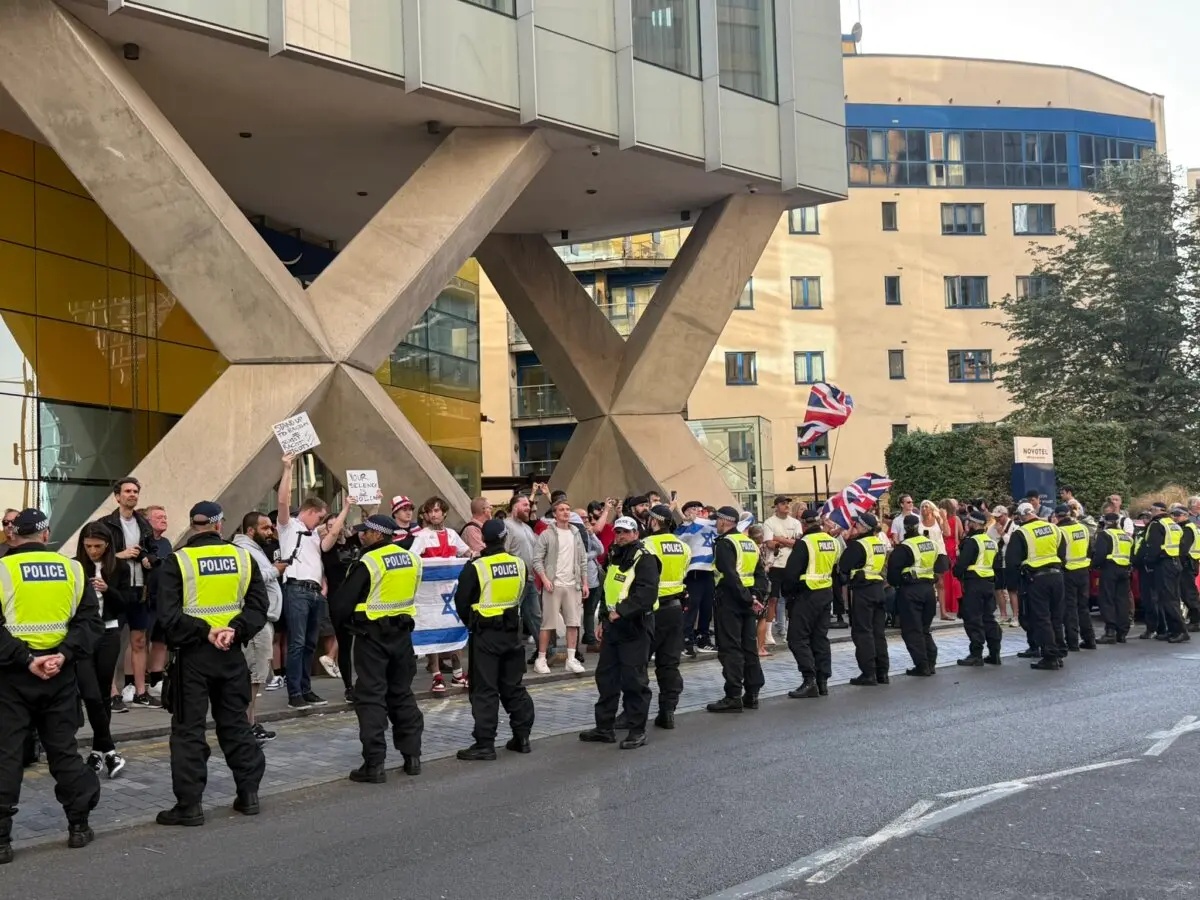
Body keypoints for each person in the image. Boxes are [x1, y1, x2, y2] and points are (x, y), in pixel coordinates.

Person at [155, 502, 268, 826]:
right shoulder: (242, 558)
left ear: (193, 526)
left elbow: (168, 616)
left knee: (189, 730)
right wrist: (235, 630)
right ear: (220, 525)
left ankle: (189, 806)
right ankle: (248, 795)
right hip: (231, 653)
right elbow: (259, 606)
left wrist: (206, 632)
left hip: (193, 656)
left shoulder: (178, 561)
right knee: (235, 724)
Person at [0, 508, 102, 864]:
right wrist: (61, 655)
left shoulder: (2, 570)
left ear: (14, 536)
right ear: (46, 535)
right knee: (63, 751)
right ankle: (78, 825)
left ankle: (0, 841)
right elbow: (90, 623)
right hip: (59, 674)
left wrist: (26, 659)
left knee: (7, 755)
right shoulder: (73, 569)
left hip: (11, 676)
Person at [330, 514, 424, 782]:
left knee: (371, 698)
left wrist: (346, 626)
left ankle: (375, 764)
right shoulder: (412, 559)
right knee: (402, 694)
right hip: (402, 636)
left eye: (366, 531)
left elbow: (342, 604)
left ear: (378, 534)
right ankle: (412, 757)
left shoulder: (368, 561)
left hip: (371, 637)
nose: (362, 535)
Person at [454, 519, 535, 760]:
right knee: (513, 686)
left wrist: (473, 622)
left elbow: (461, 602)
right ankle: (522, 737)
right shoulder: (519, 564)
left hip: (485, 634)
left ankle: (485, 744)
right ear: (504, 537)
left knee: (485, 690)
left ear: (484, 539)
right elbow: (521, 593)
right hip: (512, 633)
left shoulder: (477, 567)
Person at [277, 453, 351, 710]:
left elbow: (331, 536)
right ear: (309, 512)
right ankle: (294, 693)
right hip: (296, 588)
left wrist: (346, 509)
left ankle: (305, 690)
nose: (321, 523)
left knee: (309, 643)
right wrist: (288, 468)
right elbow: (283, 500)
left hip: (314, 592)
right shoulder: (288, 527)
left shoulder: (312, 535)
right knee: (297, 643)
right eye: (319, 517)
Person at [578, 517, 658, 749]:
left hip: (635, 626)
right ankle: (604, 728)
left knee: (634, 681)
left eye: (625, 532)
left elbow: (646, 595)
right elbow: (608, 591)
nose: (620, 536)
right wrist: (604, 618)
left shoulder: (645, 559)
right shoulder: (616, 555)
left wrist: (620, 612)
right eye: (617, 532)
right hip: (614, 627)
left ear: (635, 533)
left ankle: (636, 730)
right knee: (606, 677)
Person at [74, 523, 131, 778]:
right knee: (90, 692)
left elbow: (127, 603)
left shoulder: (120, 567)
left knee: (104, 690)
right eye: (88, 547)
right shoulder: (74, 565)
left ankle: (98, 751)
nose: (93, 551)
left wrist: (109, 590)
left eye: (98, 546)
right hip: (84, 633)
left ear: (108, 545)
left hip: (109, 631)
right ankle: (108, 748)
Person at [706, 507, 767, 713]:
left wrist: (748, 598)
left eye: (717, 520)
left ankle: (733, 695)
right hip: (748, 599)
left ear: (725, 521)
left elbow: (730, 576)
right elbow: (760, 574)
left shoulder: (725, 543)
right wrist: (755, 597)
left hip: (730, 600)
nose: (716, 524)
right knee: (749, 646)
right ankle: (753, 693)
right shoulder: (749, 543)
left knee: (731, 647)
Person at [232, 512, 283, 744]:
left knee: (256, 677)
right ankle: (246, 726)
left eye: (271, 528)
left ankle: (250, 723)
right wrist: (275, 570)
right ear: (251, 530)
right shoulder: (245, 550)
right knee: (253, 677)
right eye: (265, 528)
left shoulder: (253, 548)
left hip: (261, 620)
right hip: (255, 622)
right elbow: (249, 578)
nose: (270, 532)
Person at [781, 509, 840, 698]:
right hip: (826, 593)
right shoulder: (832, 541)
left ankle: (809, 680)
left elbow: (791, 573)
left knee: (797, 639)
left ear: (804, 524)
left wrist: (787, 593)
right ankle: (822, 681)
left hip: (806, 595)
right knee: (819, 638)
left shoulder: (804, 543)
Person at [641, 504, 690, 729]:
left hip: (651, 611)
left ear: (654, 521)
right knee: (669, 664)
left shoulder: (647, 544)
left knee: (638, 663)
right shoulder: (683, 546)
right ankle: (668, 711)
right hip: (675, 609)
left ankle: (635, 712)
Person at [1006, 504, 1066, 670]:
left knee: (1042, 618)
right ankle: (1059, 651)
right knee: (1056, 616)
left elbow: (1012, 561)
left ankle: (1050, 656)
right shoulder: (1054, 528)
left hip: (1036, 579)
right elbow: (1062, 554)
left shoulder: (1021, 533)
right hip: (1057, 576)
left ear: (1020, 517)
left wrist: (1013, 584)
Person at [531, 499, 588, 675]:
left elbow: (583, 559)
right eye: (561, 509)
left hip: (573, 584)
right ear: (554, 514)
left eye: (568, 510)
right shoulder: (547, 534)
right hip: (553, 585)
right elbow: (537, 559)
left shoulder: (576, 533)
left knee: (574, 622)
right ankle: (540, 659)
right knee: (547, 624)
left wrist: (584, 582)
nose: (565, 512)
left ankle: (571, 659)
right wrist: (545, 578)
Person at [839, 513, 890, 686]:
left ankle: (868, 673)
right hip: (878, 589)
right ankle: (882, 672)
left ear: (861, 527)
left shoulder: (858, 545)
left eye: (856, 524)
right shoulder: (879, 543)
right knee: (878, 632)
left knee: (863, 632)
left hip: (863, 591)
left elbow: (843, 566)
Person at [886, 514, 939, 676]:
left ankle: (922, 666)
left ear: (904, 528)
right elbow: (941, 565)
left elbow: (893, 575)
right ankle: (931, 662)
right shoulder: (931, 544)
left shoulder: (904, 547)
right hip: (929, 590)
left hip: (910, 591)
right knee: (924, 629)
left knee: (912, 630)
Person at [953, 509, 1002, 666]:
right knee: (989, 619)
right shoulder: (992, 542)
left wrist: (957, 573)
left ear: (974, 524)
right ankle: (994, 653)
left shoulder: (971, 542)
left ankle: (976, 654)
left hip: (974, 584)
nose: (967, 525)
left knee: (974, 620)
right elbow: (997, 565)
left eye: (969, 522)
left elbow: (961, 565)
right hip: (989, 584)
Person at [1141, 503, 1189, 643]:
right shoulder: (1173, 524)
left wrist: (1148, 563)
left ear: (1157, 511)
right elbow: (1182, 545)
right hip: (1175, 563)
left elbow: (1152, 546)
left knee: (1168, 599)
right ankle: (1172, 630)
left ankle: (1180, 630)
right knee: (1169, 598)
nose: (1150, 513)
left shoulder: (1157, 525)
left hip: (1163, 564)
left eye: (1151, 510)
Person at [677, 501, 717, 654]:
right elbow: (681, 540)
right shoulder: (685, 528)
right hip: (694, 571)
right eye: (693, 509)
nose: (697, 512)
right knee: (691, 607)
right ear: (685, 512)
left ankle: (703, 638)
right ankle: (685, 640)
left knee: (707, 607)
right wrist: (687, 521)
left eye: (699, 509)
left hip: (709, 570)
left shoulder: (708, 525)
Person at [1054, 504, 1096, 651]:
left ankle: (1072, 642)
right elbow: (1090, 549)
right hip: (1083, 570)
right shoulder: (1082, 528)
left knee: (1070, 608)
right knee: (1083, 607)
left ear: (1057, 516)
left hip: (1068, 572)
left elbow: (1059, 554)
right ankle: (1089, 639)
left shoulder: (1060, 531)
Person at [762, 496, 800, 651]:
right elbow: (769, 543)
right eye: (783, 503)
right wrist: (785, 541)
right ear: (776, 506)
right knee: (773, 598)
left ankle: (791, 629)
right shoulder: (769, 522)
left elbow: (797, 543)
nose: (786, 506)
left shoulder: (795, 523)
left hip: (791, 564)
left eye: (788, 503)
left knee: (792, 598)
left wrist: (779, 539)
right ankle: (768, 632)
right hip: (775, 564)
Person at [1093, 512, 1133, 643]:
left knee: (1107, 599)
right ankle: (1122, 633)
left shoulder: (1105, 535)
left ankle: (1110, 632)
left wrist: (1094, 565)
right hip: (1124, 571)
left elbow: (1100, 554)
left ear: (1105, 521)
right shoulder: (1125, 536)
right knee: (1122, 601)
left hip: (1110, 569)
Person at [1172, 505, 1200, 632]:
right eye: (1174, 515)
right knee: (1187, 593)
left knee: (1189, 594)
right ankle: (1195, 620)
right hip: (1190, 563)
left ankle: (1196, 621)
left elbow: (1183, 549)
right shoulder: (1187, 527)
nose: (1175, 517)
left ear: (1185, 515)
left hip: (1187, 563)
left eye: (1178, 515)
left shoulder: (1188, 529)